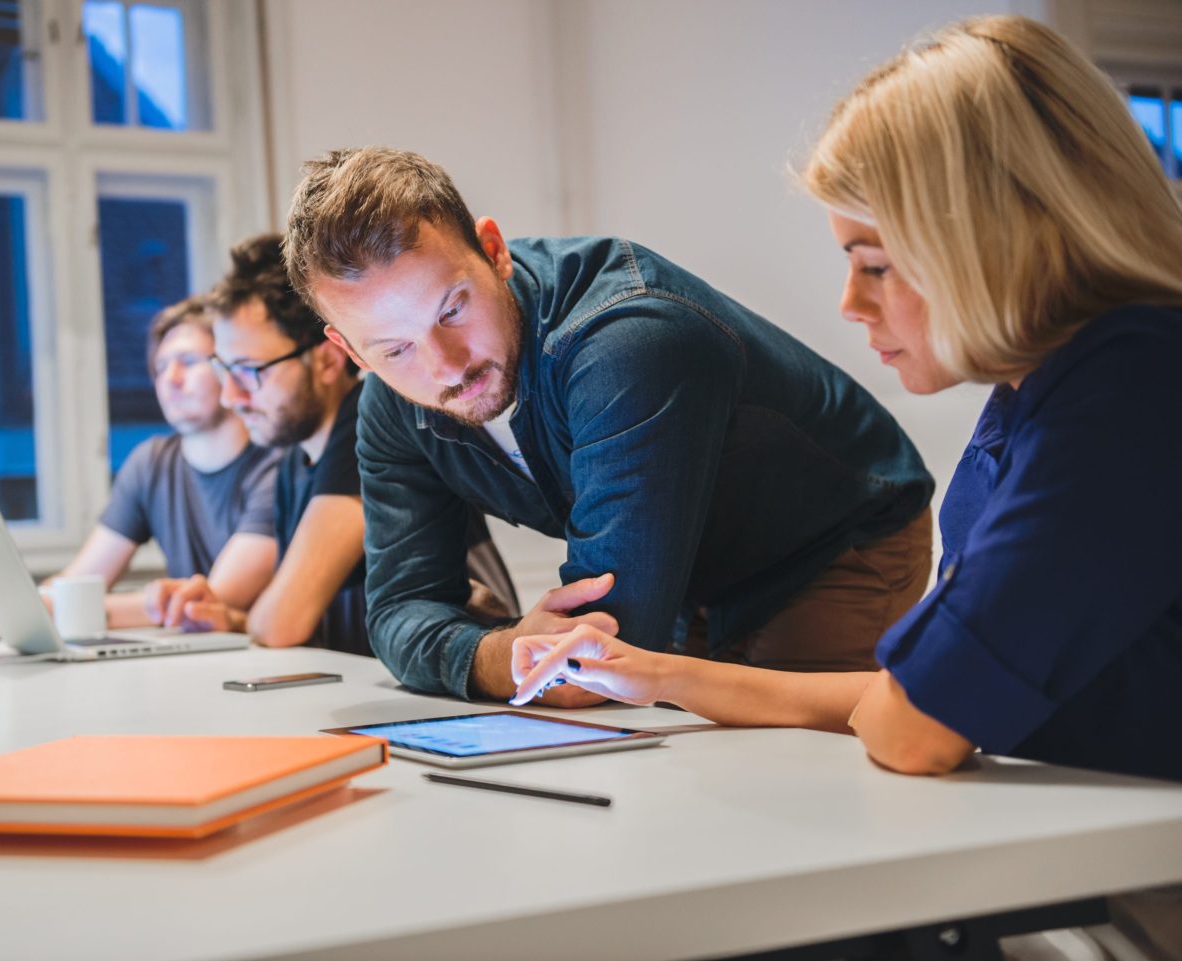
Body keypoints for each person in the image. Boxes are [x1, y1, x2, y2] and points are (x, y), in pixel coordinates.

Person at [511, 16, 1182, 791]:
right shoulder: (1036, 388)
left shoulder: (1129, 390)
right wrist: (662, 676)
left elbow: (915, 726)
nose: (850, 303)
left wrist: (912, 700)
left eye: (876, 264)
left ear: (995, 239)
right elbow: (916, 693)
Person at [282, 147, 935, 704]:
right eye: (394, 349)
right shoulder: (391, 404)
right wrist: (501, 652)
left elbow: (600, 655)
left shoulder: (627, 342)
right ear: (351, 351)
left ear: (493, 250)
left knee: (798, 786)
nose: (445, 366)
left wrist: (491, 652)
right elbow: (398, 611)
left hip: (832, 542)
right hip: (688, 574)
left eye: (452, 309)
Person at [145, 235, 518, 655]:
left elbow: (284, 621)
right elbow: (299, 624)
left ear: (327, 358)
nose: (231, 396)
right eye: (223, 370)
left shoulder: (367, 424)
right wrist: (231, 619)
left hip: (471, 683)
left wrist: (257, 618)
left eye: (250, 372)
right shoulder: (294, 459)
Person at [0, 295, 281, 636]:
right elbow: (84, 577)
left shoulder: (276, 466)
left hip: (259, 659)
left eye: (188, 361)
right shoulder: (151, 463)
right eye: (161, 367)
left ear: (229, 366)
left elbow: (213, 599)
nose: (171, 379)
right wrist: (18, 607)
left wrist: (56, 608)